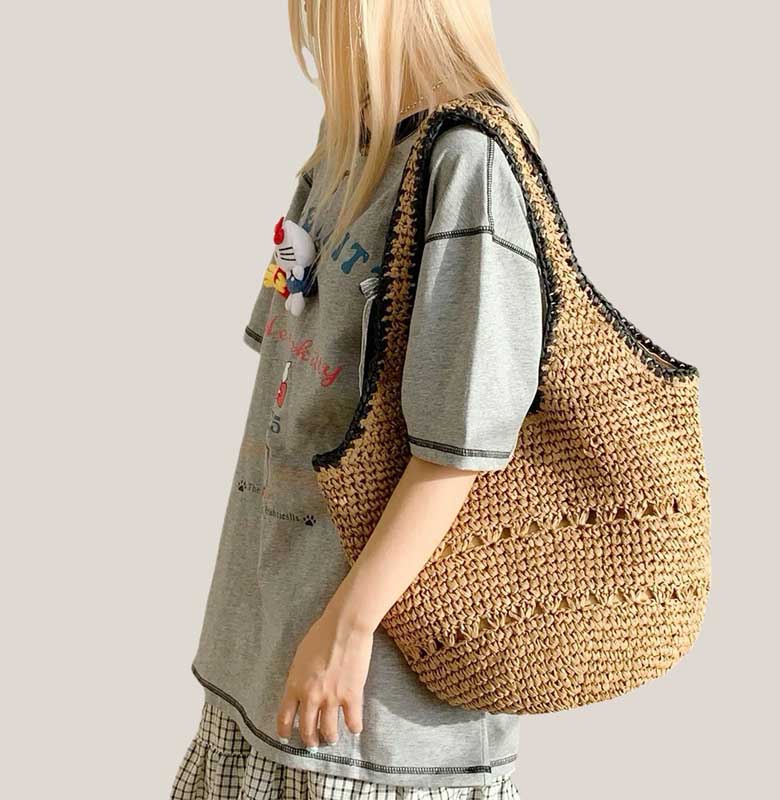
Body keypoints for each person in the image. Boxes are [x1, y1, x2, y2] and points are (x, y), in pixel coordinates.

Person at [171, 1, 544, 797]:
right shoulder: (341, 155)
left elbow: (462, 446)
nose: (310, 29)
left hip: (368, 720)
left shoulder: (468, 164)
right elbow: (286, 377)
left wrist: (347, 627)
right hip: (258, 668)